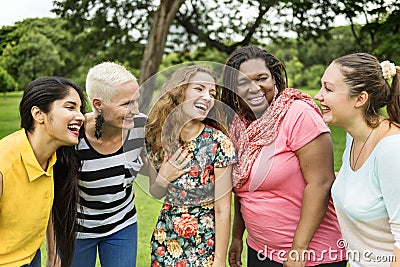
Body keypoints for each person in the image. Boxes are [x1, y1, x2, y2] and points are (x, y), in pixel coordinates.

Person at [221, 45, 347, 267]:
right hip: (260, 250)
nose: (254, 88)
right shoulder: (239, 127)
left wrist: (298, 250)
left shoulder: (297, 113)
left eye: (262, 78)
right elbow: (244, 189)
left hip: (312, 255)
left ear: (275, 80)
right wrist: (237, 237)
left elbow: (321, 182)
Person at [145, 65, 236, 267]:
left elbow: (223, 208)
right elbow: (156, 191)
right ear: (180, 91)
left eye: (212, 93)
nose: (208, 97)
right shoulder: (158, 137)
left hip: (203, 246)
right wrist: (163, 178)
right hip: (165, 242)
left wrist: (219, 259)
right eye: (199, 89)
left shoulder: (218, 143)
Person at [315, 53, 400, 266]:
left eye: (329, 89)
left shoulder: (392, 150)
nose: (318, 95)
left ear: (360, 99)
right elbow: (361, 185)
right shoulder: (354, 137)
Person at [0, 76, 85, 267]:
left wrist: (54, 253)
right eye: (70, 107)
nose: (81, 116)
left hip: (31, 258)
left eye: (80, 109)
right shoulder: (4, 165)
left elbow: (47, 205)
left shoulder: (54, 158)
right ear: (38, 114)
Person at [71, 62, 147, 267]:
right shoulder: (72, 136)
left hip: (122, 224)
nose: (135, 110)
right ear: (98, 104)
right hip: (78, 230)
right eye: (126, 104)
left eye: (137, 101)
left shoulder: (141, 127)